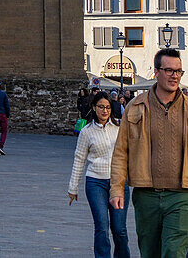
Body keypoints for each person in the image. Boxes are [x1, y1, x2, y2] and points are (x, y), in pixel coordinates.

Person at [110, 46, 188, 256]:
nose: (175, 76)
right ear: (156, 71)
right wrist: (117, 188)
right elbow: (120, 152)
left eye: (178, 71)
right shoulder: (135, 107)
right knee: (149, 252)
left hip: (181, 195)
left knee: (174, 251)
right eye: (169, 70)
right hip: (146, 195)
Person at [68, 91, 131, 258]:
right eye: (101, 107)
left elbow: (129, 152)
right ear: (94, 108)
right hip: (96, 182)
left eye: (108, 107)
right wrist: (72, 187)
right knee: (102, 227)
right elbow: (79, 159)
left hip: (118, 182)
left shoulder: (119, 127)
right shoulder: (86, 131)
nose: (105, 111)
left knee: (120, 229)